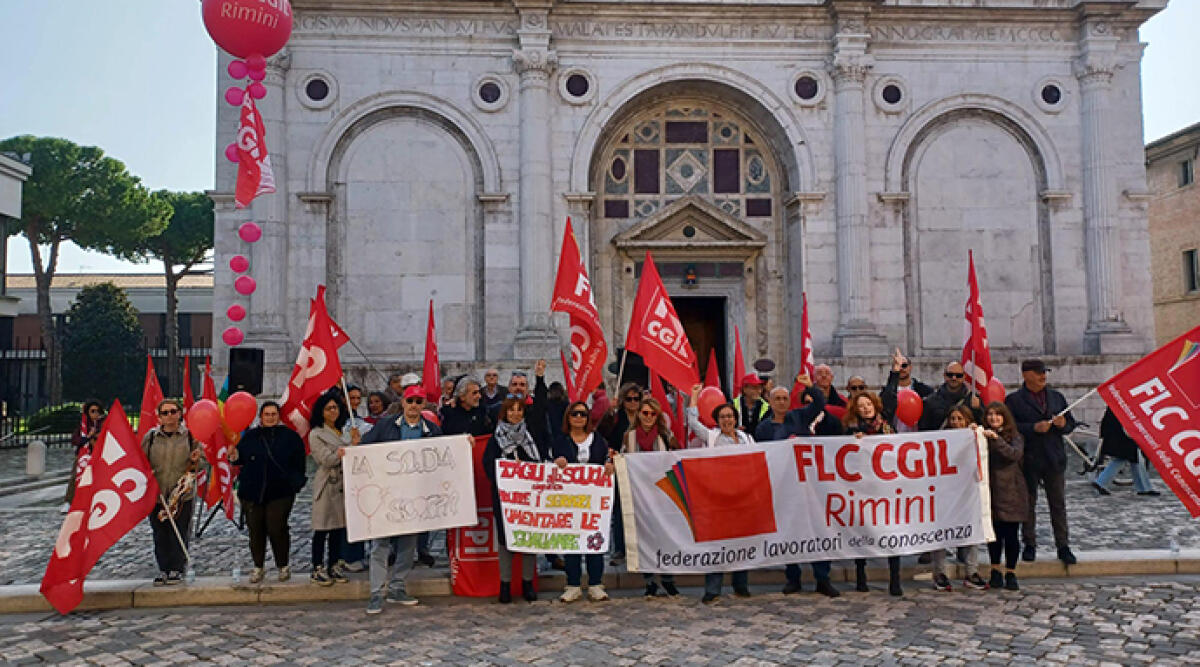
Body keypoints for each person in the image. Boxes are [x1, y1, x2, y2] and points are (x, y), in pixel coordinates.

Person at [360, 384, 443, 613]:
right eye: (410, 401)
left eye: (419, 401)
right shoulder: (385, 425)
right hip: (386, 493)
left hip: (415, 494)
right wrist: (349, 453)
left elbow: (445, 456)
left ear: (424, 404)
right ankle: (376, 592)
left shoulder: (432, 430)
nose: (414, 406)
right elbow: (365, 447)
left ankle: (397, 586)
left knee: (408, 543)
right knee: (380, 544)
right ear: (403, 403)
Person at [754, 377, 838, 598]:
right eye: (777, 399)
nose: (781, 402)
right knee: (790, 532)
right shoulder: (763, 428)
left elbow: (820, 403)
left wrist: (810, 385)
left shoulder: (799, 417)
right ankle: (793, 577)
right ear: (770, 402)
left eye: (784, 399)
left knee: (818, 529)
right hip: (783, 487)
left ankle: (823, 578)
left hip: (809, 485)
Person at [685, 383, 755, 604]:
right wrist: (694, 397)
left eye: (730, 416)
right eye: (723, 417)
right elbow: (693, 423)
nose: (727, 420)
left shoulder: (747, 439)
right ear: (717, 420)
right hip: (719, 498)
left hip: (742, 497)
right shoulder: (712, 437)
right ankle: (713, 588)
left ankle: (741, 585)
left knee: (741, 544)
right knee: (717, 544)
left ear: (736, 419)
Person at [1005, 358, 1078, 565]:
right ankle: (1029, 543)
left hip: (1054, 458)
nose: (1042, 376)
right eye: (1037, 373)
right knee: (1028, 504)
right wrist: (1033, 428)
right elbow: (1011, 427)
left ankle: (1063, 545)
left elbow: (1070, 424)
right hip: (1028, 458)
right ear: (1026, 375)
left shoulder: (1056, 397)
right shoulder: (1014, 400)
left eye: (1044, 372)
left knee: (1058, 504)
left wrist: (1064, 424)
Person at [230, 401, 307, 584]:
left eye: (273, 414)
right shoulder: (250, 436)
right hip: (252, 490)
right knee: (255, 529)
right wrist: (233, 456)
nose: (270, 417)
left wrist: (295, 483)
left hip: (281, 491)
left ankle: (283, 565)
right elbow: (239, 459)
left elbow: (299, 463)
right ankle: (258, 566)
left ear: (278, 416)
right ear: (261, 417)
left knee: (276, 527)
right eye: (267, 414)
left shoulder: (290, 437)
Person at [483, 395, 544, 603]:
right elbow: (488, 465)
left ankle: (527, 583)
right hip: (504, 498)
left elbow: (541, 460)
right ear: (505, 413)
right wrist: (507, 472)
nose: (515, 413)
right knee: (505, 539)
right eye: (511, 410)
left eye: (519, 409)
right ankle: (505, 584)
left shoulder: (532, 436)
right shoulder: (496, 439)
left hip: (529, 498)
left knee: (528, 538)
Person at [842, 391, 903, 596]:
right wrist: (855, 441)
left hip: (887, 489)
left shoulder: (887, 427)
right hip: (863, 490)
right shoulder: (851, 430)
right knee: (863, 532)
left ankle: (895, 579)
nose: (866, 408)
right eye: (861, 406)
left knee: (892, 532)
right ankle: (861, 576)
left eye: (868, 404)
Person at [553, 400, 615, 602]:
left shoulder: (597, 440)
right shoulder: (561, 440)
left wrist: (608, 465)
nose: (579, 418)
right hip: (569, 501)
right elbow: (551, 462)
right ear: (568, 418)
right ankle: (573, 584)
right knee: (572, 542)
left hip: (594, 501)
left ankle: (596, 583)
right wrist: (557, 463)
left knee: (594, 540)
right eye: (574, 414)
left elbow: (606, 458)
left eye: (582, 414)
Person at [622, 396, 680, 598]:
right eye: (644, 413)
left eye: (652, 413)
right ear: (639, 414)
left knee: (664, 536)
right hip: (639, 495)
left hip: (661, 494)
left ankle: (668, 579)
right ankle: (649, 581)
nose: (648, 417)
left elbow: (676, 459)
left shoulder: (665, 435)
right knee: (643, 538)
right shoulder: (629, 437)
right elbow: (623, 459)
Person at [142, 398, 203, 586]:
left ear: (179, 413)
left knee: (179, 531)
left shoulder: (190, 436)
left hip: (181, 494)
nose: (170, 416)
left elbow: (201, 464)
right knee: (160, 533)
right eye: (165, 413)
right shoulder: (151, 437)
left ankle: (177, 567)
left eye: (173, 412)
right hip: (157, 494)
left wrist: (196, 459)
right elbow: (140, 461)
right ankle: (164, 568)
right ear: (159, 416)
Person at [927, 405, 986, 591]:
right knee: (940, 530)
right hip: (944, 491)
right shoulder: (940, 438)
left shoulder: (973, 436)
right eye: (953, 418)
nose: (956, 422)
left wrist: (977, 434)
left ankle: (972, 571)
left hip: (967, 491)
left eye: (960, 418)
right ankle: (939, 573)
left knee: (971, 528)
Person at [980, 402, 1027, 592]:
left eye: (998, 415)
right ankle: (995, 570)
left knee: (1011, 535)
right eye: (990, 414)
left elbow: (1013, 454)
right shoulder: (982, 436)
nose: (993, 418)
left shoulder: (1015, 437)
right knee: (994, 535)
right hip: (991, 491)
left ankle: (1011, 571)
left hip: (1011, 492)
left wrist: (996, 439)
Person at [597, 380, 642, 564]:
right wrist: (609, 412)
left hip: (641, 470)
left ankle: (639, 546)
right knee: (619, 509)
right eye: (629, 399)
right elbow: (601, 432)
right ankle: (619, 549)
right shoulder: (616, 417)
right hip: (620, 466)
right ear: (623, 401)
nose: (632, 402)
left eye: (636, 399)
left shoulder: (645, 416)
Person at [308, 392, 351, 586]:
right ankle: (317, 566)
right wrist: (343, 452)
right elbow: (326, 459)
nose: (333, 411)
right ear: (321, 412)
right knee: (322, 528)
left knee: (338, 528)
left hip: (345, 483)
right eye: (328, 408)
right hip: (328, 483)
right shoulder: (316, 433)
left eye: (335, 407)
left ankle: (335, 564)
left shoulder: (346, 431)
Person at [1093, 407, 1160, 496]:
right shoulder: (1125, 401)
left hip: (1117, 433)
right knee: (1123, 459)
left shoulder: (1116, 400)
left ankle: (1144, 488)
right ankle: (1101, 482)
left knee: (1135, 460)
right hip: (1123, 435)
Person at [880, 348, 934, 434]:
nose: (901, 369)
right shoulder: (888, 391)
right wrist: (894, 374)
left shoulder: (924, 390)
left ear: (910, 367)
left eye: (904, 365)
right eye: (898, 366)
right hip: (895, 438)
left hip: (919, 436)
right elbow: (885, 407)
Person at [63, 400, 104, 513]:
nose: (95, 414)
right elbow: (75, 440)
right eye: (92, 411)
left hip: (98, 456)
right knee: (75, 477)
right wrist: (87, 438)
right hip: (83, 455)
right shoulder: (83, 426)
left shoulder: (103, 424)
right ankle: (69, 501)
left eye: (97, 411)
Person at [918, 361, 982, 431]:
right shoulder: (930, 401)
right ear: (944, 375)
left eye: (958, 375)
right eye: (950, 375)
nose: (954, 378)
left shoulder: (974, 399)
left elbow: (983, 425)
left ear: (964, 377)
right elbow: (923, 430)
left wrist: (978, 410)